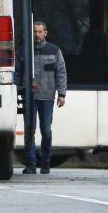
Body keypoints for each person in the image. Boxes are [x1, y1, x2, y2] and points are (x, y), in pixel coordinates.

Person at [23, 21, 67, 174]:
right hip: (29, 97)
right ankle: (31, 164)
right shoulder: (24, 51)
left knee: (46, 131)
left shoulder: (54, 50)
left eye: (40, 32)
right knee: (29, 131)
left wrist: (61, 94)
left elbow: (61, 73)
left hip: (47, 97)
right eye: (35, 32)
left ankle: (46, 163)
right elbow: (16, 72)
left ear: (45, 33)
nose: (37, 35)